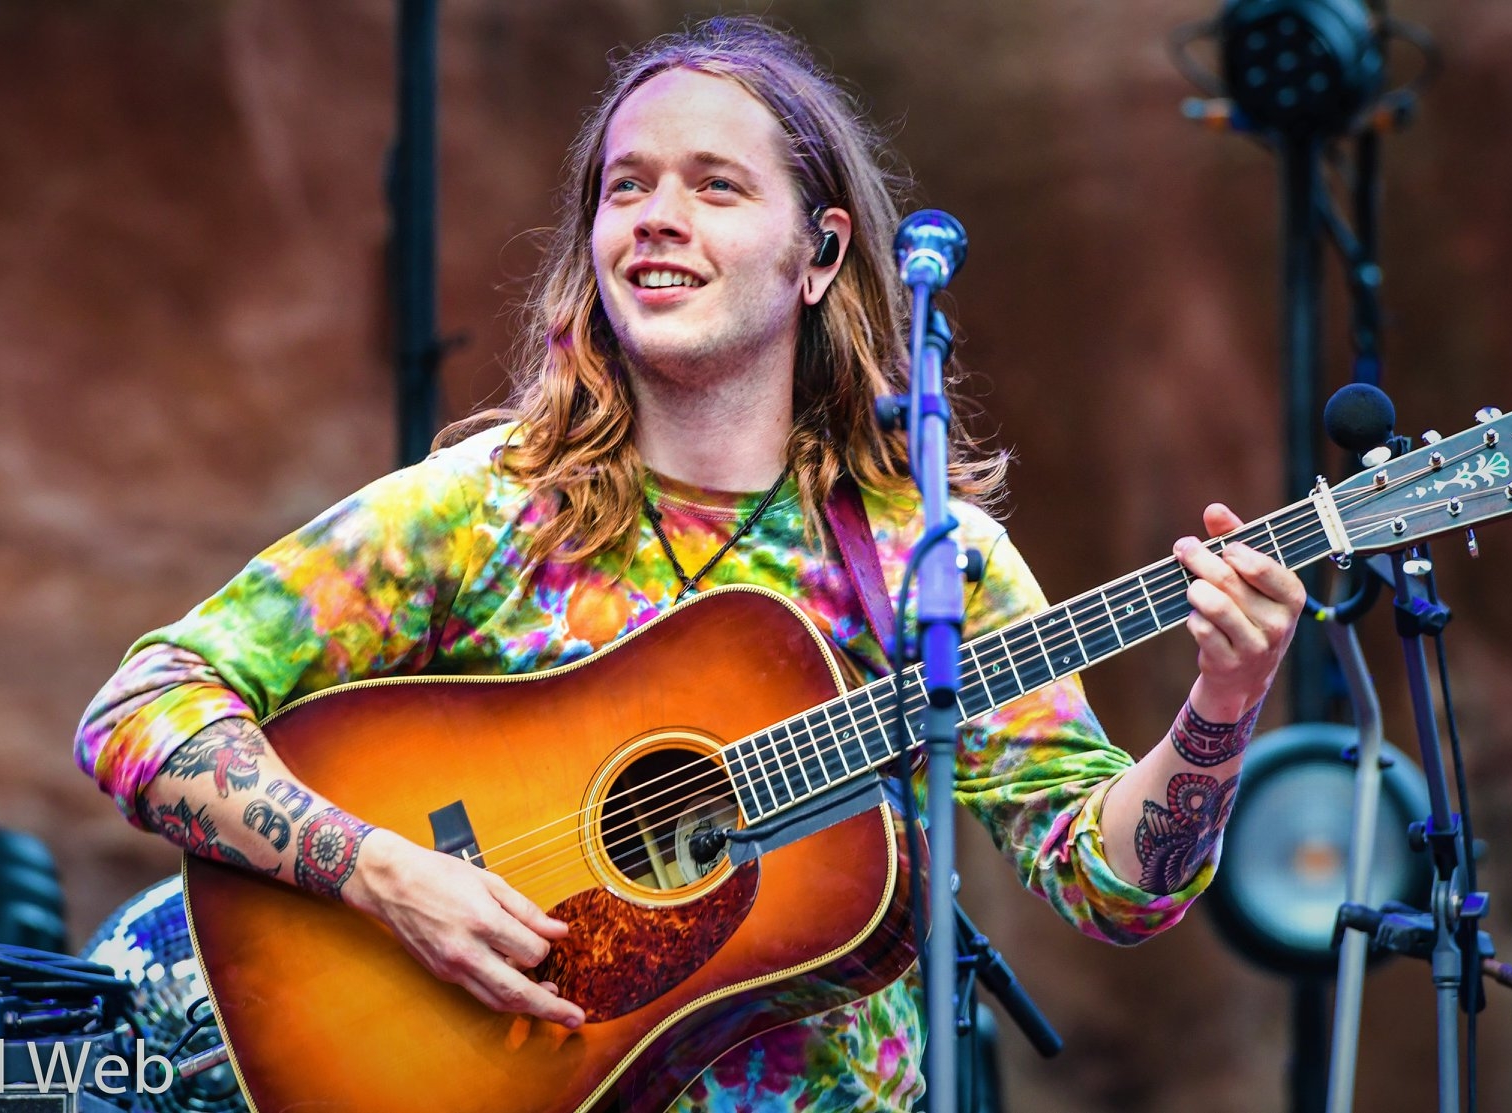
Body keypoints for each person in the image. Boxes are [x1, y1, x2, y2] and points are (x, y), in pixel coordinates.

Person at [75, 17, 1304, 1112]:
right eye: (626, 187)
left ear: (817, 257)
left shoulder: (927, 556)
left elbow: (1112, 886)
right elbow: (144, 708)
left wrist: (1222, 705)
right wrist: (385, 874)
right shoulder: (488, 509)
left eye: (715, 187)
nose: (656, 216)